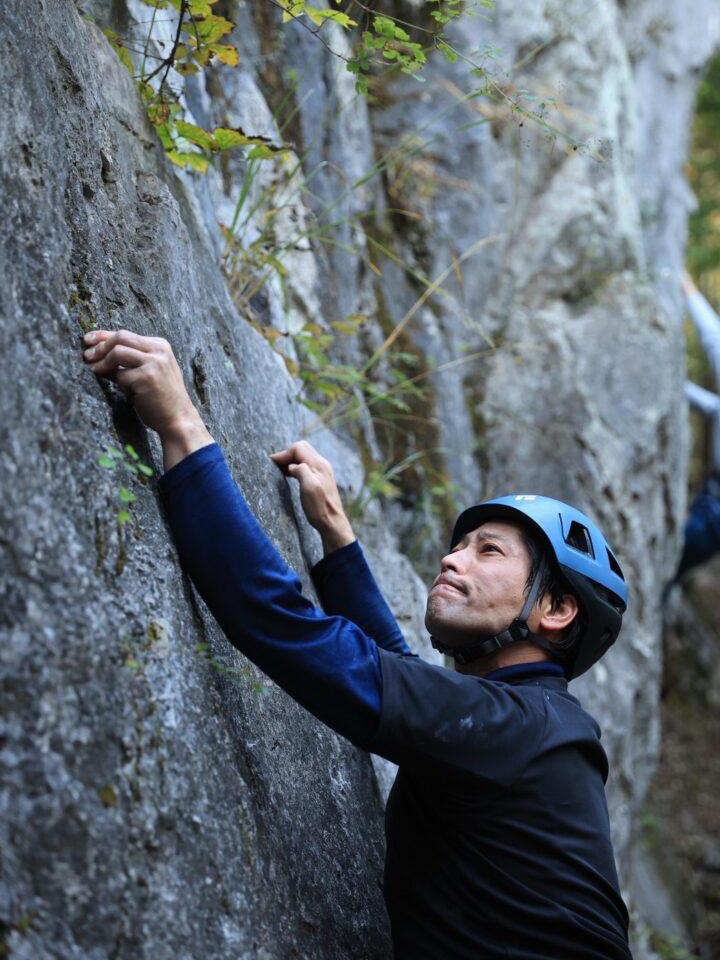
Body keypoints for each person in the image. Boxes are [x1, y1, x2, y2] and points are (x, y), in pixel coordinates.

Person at [82, 328, 633, 960]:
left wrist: (181, 428)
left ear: (557, 609)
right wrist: (337, 539)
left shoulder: (522, 728)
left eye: (488, 551)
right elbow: (396, 674)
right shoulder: (525, 729)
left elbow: (285, 627)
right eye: (458, 544)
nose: (453, 560)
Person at [678, 273, 720, 576]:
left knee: (665, 567)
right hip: (711, 504)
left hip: (713, 514)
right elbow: (711, 407)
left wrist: (689, 291)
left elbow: (714, 342)